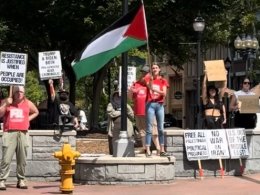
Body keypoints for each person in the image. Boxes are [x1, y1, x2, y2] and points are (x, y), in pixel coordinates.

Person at [0, 86, 39, 190]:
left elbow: (36, 112)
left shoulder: (28, 103)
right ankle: (2, 180)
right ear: (13, 92)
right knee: (6, 159)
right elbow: (0, 114)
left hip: (23, 133)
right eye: (17, 91)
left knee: (22, 159)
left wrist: (27, 119)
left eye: (21, 91)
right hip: (9, 133)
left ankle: (21, 180)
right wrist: (5, 104)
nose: (19, 93)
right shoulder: (7, 101)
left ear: (24, 93)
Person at [129, 65, 160, 154]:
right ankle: (145, 148)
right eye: (143, 72)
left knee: (153, 129)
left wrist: (147, 80)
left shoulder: (151, 82)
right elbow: (130, 98)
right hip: (139, 110)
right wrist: (131, 90)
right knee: (142, 130)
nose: (144, 74)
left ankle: (158, 148)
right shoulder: (136, 84)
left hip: (149, 109)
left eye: (146, 73)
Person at [143, 62, 169, 157]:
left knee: (161, 128)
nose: (154, 69)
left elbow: (164, 93)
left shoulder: (163, 80)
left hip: (160, 105)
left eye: (156, 68)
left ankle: (162, 149)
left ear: (159, 69)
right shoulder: (148, 78)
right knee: (149, 128)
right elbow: (148, 85)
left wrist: (156, 90)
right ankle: (148, 149)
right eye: (153, 68)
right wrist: (150, 81)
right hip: (150, 104)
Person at [107, 91, 135, 155]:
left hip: (126, 126)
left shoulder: (126, 105)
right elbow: (111, 114)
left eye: (120, 96)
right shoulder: (110, 105)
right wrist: (122, 112)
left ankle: (127, 153)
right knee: (114, 140)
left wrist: (126, 108)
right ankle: (114, 153)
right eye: (116, 96)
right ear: (113, 97)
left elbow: (132, 116)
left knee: (128, 138)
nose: (118, 98)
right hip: (114, 126)